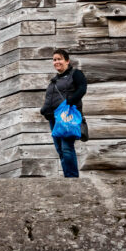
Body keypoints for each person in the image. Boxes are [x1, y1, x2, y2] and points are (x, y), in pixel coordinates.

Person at [39, 49, 87, 178]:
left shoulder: (75, 74)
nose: (56, 62)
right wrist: (44, 109)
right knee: (60, 149)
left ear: (67, 61)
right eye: (54, 60)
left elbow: (82, 88)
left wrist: (69, 101)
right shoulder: (55, 80)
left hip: (66, 117)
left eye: (59, 59)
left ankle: (72, 178)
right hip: (53, 118)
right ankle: (68, 177)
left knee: (66, 148)